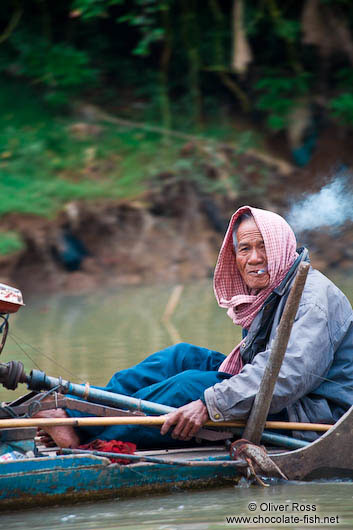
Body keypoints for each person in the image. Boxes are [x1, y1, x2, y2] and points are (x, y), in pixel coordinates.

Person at [36, 206, 353, 448]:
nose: (254, 258)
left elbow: (287, 377)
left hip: (313, 413)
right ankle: (80, 414)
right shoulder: (272, 288)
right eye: (244, 248)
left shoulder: (312, 298)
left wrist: (208, 404)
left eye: (264, 247)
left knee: (190, 387)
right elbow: (263, 368)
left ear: (282, 247)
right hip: (276, 388)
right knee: (180, 357)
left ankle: (85, 433)